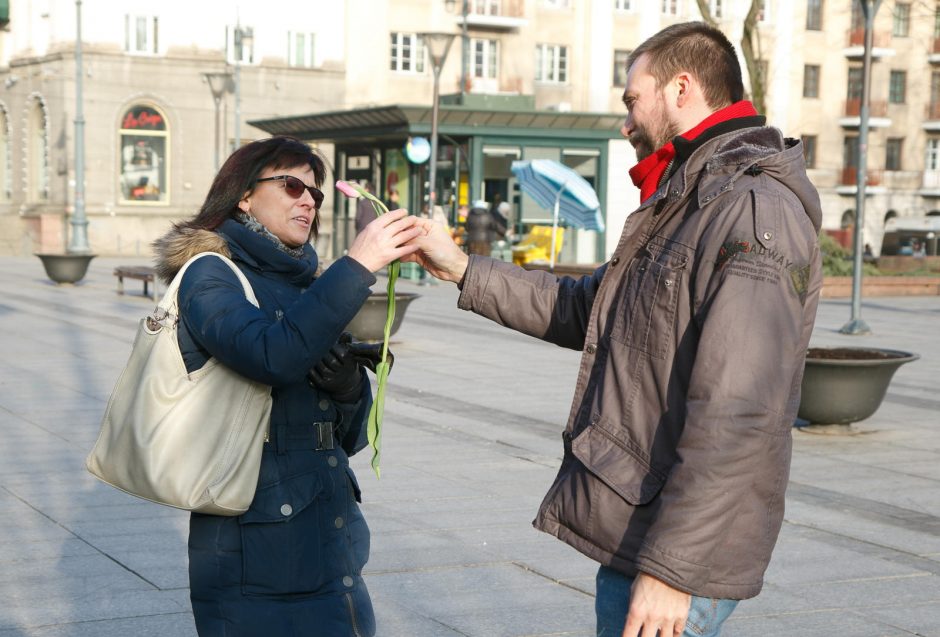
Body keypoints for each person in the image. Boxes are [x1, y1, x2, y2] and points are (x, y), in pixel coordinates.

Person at [407, 22, 822, 637]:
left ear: (682, 88)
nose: (624, 121)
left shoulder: (752, 209)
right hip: (646, 528)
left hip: (674, 557)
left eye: (632, 100)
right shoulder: (689, 197)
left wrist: (672, 572)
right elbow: (586, 306)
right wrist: (463, 268)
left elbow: (740, 413)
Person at [152, 136, 421, 636]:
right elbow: (270, 355)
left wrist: (346, 389)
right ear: (244, 195)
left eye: (316, 193)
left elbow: (350, 436)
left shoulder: (307, 282)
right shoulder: (211, 273)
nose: (308, 201)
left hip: (331, 535)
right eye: (292, 184)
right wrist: (357, 266)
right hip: (253, 549)